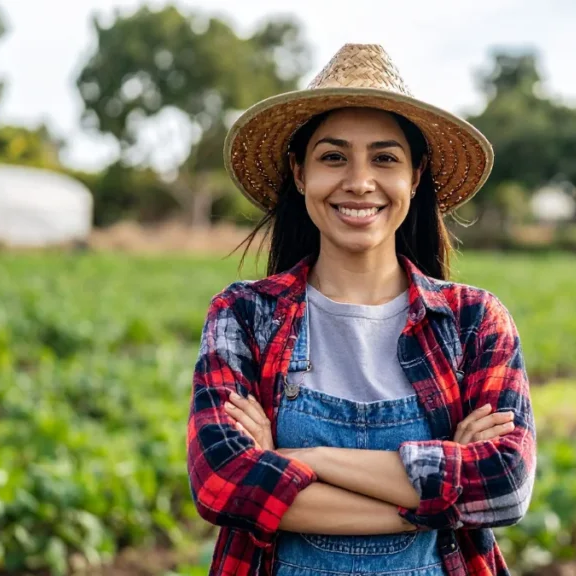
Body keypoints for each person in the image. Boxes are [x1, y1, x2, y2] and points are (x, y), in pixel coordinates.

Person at [186, 44, 537, 576]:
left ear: (415, 177)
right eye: (333, 157)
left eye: (384, 158)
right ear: (299, 173)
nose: (359, 181)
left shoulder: (474, 322)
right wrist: (438, 504)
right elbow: (222, 482)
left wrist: (300, 461)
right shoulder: (244, 316)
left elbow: (506, 484)